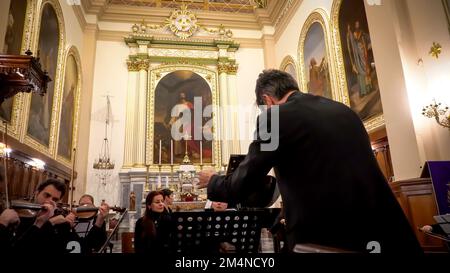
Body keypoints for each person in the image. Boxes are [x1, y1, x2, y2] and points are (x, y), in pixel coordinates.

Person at [199, 69, 422, 254]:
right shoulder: (344, 111)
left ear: (267, 100)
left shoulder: (274, 117)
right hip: (384, 229)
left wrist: (214, 182)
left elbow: (247, 178)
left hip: (327, 237)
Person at [346, 21, 373, 97]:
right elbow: (352, 41)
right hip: (358, 55)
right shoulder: (354, 34)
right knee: (360, 73)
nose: (357, 25)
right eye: (356, 24)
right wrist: (349, 31)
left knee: (366, 69)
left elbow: (366, 39)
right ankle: (363, 91)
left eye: (358, 24)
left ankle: (369, 88)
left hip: (363, 52)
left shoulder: (362, 32)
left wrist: (365, 45)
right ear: (355, 25)